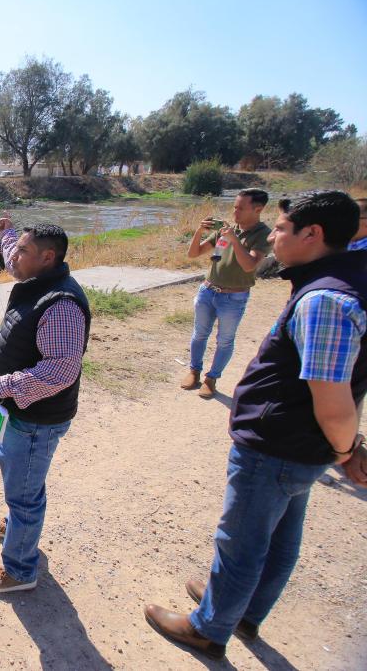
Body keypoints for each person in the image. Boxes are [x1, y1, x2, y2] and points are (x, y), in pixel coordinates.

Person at [145, 190, 367, 661]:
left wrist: (348, 451)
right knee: (281, 535)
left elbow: (333, 401)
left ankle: (208, 628)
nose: (277, 237)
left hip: (279, 442)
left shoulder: (325, 300)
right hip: (297, 444)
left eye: (283, 229)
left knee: (241, 541)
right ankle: (241, 610)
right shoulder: (341, 280)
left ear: (313, 234)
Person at [0, 219, 91, 594]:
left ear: (47, 257)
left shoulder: (62, 305)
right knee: (20, 481)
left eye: (23, 251)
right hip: (20, 415)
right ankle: (16, 527)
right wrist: (7, 235)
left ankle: (21, 570)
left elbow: (59, 371)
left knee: (25, 493)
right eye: (17, 248)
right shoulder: (36, 277)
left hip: (36, 420)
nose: (14, 258)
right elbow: (12, 258)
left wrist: (1, 385)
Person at [181, 189, 273, 398]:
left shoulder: (263, 235)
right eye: (234, 207)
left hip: (234, 297)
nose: (235, 212)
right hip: (208, 290)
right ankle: (194, 372)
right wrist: (199, 232)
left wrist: (233, 239)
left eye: (240, 208)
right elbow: (193, 253)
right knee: (199, 334)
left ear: (257, 209)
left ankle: (211, 378)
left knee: (224, 340)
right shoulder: (225, 230)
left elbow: (249, 265)